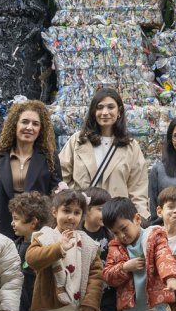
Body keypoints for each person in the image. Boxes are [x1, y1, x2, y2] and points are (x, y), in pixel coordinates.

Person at [101, 196, 176, 311]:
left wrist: (170, 278)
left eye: (124, 228)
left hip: (155, 307)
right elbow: (107, 275)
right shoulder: (115, 246)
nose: (121, 236)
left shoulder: (154, 235)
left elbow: (164, 256)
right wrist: (124, 267)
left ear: (137, 219)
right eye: (115, 232)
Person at [27, 189, 105, 311]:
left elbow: (96, 275)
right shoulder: (44, 237)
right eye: (66, 211)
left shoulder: (87, 243)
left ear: (82, 216)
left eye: (77, 213)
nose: (71, 217)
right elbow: (32, 259)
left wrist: (91, 303)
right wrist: (58, 247)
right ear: (54, 212)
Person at [59, 88, 151, 218]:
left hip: (116, 218)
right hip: (83, 216)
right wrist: (73, 202)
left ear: (119, 111)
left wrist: (139, 218)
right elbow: (62, 176)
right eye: (100, 107)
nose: (105, 112)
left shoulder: (130, 146)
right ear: (93, 112)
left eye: (110, 107)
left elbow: (138, 189)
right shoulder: (78, 141)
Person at [0, 100, 65, 240]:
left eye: (35, 124)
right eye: (25, 122)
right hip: (5, 228)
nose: (29, 127)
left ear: (41, 129)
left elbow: (56, 192)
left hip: (37, 228)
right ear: (15, 124)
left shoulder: (49, 157)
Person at [4, 191, 49, 311]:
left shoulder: (43, 248)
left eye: (16, 218)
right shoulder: (14, 244)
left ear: (33, 222)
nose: (12, 223)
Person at [81, 187, 125, 311]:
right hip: (82, 296)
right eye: (100, 209)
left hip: (106, 295)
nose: (104, 214)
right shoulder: (78, 234)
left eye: (107, 209)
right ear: (86, 211)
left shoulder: (111, 235)